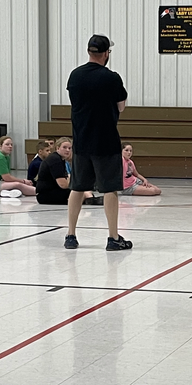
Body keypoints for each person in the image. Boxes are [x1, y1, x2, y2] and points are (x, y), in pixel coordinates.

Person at [65, 34, 132, 250]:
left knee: (77, 188)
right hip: (106, 141)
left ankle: (71, 235)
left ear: (88, 52)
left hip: (81, 140)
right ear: (106, 54)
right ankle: (113, 238)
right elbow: (121, 106)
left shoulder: (74, 76)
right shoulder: (112, 78)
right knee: (110, 189)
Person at [36, 137, 99, 206]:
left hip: (49, 192)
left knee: (83, 192)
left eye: (69, 148)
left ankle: (90, 199)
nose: (67, 150)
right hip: (46, 195)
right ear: (57, 148)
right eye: (64, 147)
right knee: (80, 193)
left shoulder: (59, 159)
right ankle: (91, 200)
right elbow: (63, 184)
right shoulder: (55, 160)